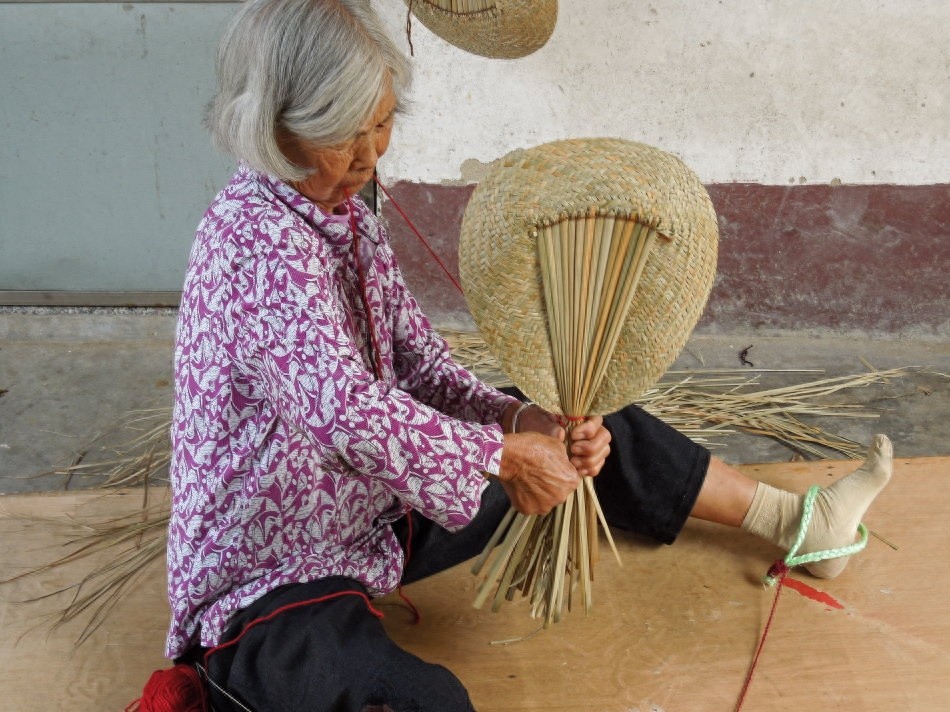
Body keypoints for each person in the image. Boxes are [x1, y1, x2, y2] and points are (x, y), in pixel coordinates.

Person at [166, 1, 892, 710]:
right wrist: (503, 459)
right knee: (424, 700)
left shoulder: (343, 218)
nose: (368, 156)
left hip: (372, 515)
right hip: (273, 572)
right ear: (277, 128)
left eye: (381, 125)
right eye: (343, 135)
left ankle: (800, 524)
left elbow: (418, 366)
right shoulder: (252, 241)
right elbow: (344, 416)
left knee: (584, 426)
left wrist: (520, 422)